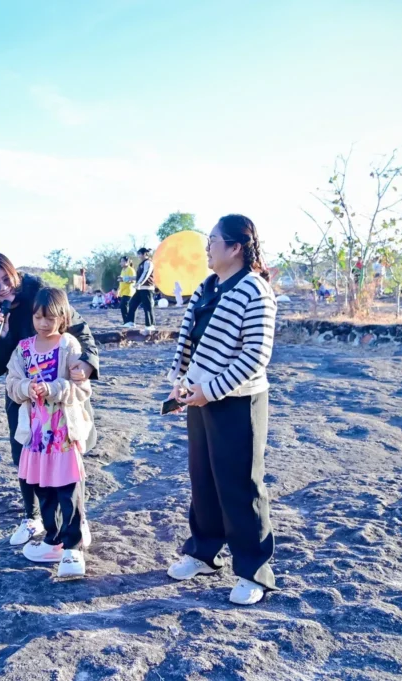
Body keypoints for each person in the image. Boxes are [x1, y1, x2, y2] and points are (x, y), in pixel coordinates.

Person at [165, 214, 278, 606]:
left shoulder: (255, 290)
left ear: (235, 247)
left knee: (241, 484)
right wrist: (181, 384)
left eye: (212, 241)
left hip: (239, 401)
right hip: (198, 398)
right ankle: (203, 552)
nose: (206, 249)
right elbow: (190, 343)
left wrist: (210, 391)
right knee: (204, 479)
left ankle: (253, 571)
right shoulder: (208, 287)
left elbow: (256, 355)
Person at [0, 253, 99, 546]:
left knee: (68, 459)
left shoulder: (40, 293)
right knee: (26, 456)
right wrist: (0, 336)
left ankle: (78, 521)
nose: (3, 288)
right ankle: (32, 517)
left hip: (62, 393)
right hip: (25, 397)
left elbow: (81, 330)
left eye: (6, 279)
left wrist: (87, 364)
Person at [7, 287, 95, 578]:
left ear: (63, 317)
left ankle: (73, 549)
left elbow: (82, 388)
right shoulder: (23, 348)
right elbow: (11, 384)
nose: (43, 324)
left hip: (63, 434)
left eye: (50, 318)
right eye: (38, 317)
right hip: (35, 436)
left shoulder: (69, 345)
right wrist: (26, 388)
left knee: (68, 490)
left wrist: (54, 388)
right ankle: (53, 540)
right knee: (42, 487)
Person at [123, 247, 155, 331]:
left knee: (147, 307)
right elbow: (139, 276)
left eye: (139, 254)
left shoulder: (148, 263)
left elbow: (146, 274)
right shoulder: (141, 264)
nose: (138, 256)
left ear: (144, 254)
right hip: (140, 289)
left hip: (147, 288)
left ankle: (150, 324)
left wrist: (139, 283)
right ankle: (131, 322)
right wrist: (128, 278)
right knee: (132, 303)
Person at [117, 256, 135, 324]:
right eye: (120, 261)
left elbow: (133, 280)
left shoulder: (131, 270)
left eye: (122, 261)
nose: (120, 263)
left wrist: (124, 279)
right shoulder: (122, 270)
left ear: (127, 262)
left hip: (129, 291)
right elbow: (121, 281)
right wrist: (118, 290)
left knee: (124, 306)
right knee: (123, 307)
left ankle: (128, 322)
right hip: (123, 291)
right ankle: (126, 322)